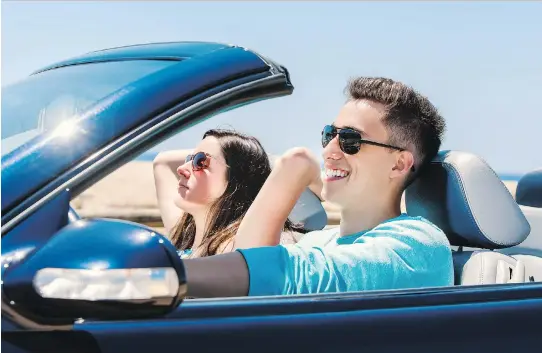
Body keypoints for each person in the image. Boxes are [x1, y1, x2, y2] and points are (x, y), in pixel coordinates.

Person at [178, 77, 455, 297]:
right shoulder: (318, 240)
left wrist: (292, 170)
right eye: (328, 135)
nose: (329, 151)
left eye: (350, 140)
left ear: (398, 164)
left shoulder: (417, 243)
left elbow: (271, 279)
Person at [153, 128, 305, 258]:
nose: (181, 169)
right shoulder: (184, 235)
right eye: (189, 159)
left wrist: (253, 159)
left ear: (236, 178)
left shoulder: (236, 249)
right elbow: (162, 162)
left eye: (200, 162)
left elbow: (298, 162)